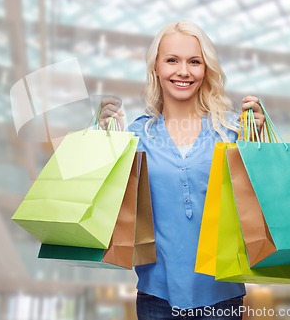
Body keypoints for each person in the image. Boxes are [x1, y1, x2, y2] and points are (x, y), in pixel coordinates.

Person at [99, 20, 264, 320]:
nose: (184, 71)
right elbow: (109, 206)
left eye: (194, 62)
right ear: (156, 69)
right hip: (155, 299)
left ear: (206, 70)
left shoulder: (231, 131)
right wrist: (104, 142)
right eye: (172, 60)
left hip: (222, 298)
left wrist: (257, 141)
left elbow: (258, 203)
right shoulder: (135, 136)